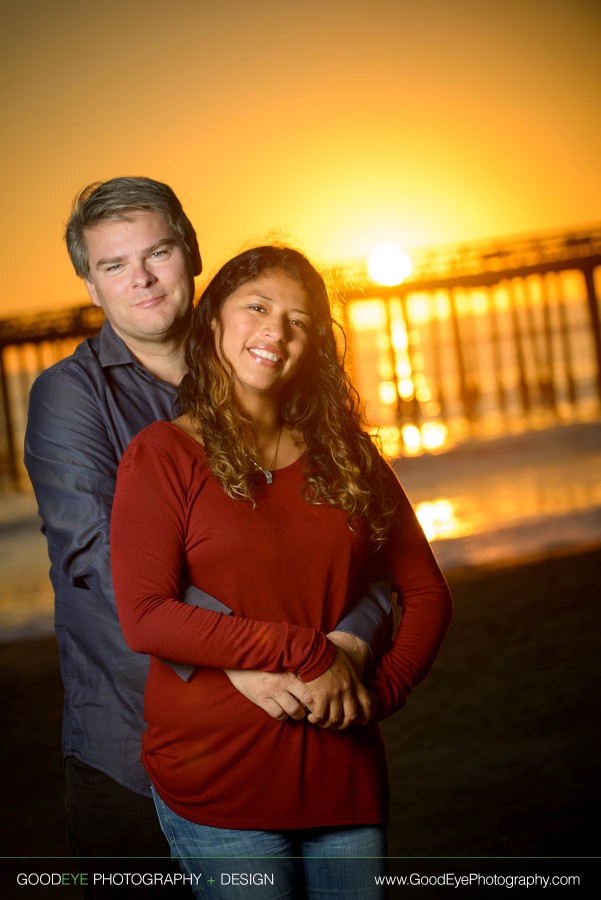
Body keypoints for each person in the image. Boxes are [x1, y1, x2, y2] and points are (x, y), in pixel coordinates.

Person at [23, 178, 391, 884]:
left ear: (191, 253)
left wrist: (348, 638)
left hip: (297, 736)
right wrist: (249, 662)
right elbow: (100, 560)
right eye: (113, 265)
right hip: (132, 746)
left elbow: (355, 540)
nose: (142, 279)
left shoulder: (259, 363)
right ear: (90, 285)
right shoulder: (69, 398)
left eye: (157, 252)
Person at [111, 245, 453, 899]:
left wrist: (382, 694)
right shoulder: (161, 455)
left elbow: (427, 592)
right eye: (258, 308)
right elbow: (145, 615)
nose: (275, 332)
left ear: (315, 345)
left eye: (299, 321)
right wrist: (307, 651)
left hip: (341, 777)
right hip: (218, 783)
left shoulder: (348, 457)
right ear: (214, 321)